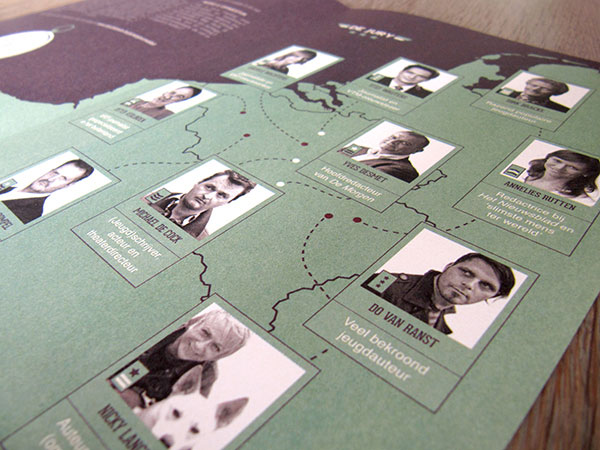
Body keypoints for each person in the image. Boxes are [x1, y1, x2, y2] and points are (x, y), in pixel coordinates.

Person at [114, 310, 250, 409]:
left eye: (215, 347)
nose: (200, 346)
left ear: (219, 356)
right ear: (195, 323)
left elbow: (183, 414)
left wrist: (139, 398)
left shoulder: (207, 375)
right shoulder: (162, 325)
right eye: (205, 332)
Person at [362, 253, 515, 335]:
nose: (469, 285)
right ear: (448, 267)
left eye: (486, 285)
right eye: (466, 272)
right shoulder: (386, 284)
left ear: (491, 297)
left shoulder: (440, 323)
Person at [146, 170, 256, 240]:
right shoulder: (145, 198)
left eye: (222, 195)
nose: (207, 196)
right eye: (209, 187)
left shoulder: (201, 240)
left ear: (227, 203)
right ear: (198, 183)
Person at [0, 159, 94, 224]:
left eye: (62, 178)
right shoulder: (8, 186)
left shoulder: (31, 213)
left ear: (68, 185)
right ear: (50, 170)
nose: (51, 179)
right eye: (55, 173)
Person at [339, 131, 430, 183]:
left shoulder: (404, 171)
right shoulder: (359, 148)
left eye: (404, 143)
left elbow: (356, 180)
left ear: (417, 150)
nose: (392, 142)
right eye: (394, 137)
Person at [520, 149, 600, 205]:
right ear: (548, 158)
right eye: (557, 161)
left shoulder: (582, 201)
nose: (559, 168)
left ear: (586, 173)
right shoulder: (522, 172)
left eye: (572, 167)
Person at [128, 85, 202, 119]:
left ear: (179, 101)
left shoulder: (167, 115)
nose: (168, 97)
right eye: (173, 92)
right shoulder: (135, 99)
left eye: (179, 97)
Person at [499, 77, 570, 112]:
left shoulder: (560, 110)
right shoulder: (501, 93)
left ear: (555, 93)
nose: (535, 89)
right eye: (533, 85)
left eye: (545, 88)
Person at [369, 64, 439, 98]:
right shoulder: (373, 79)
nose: (412, 77)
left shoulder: (427, 95)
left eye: (420, 76)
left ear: (426, 80)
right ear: (401, 71)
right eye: (410, 73)